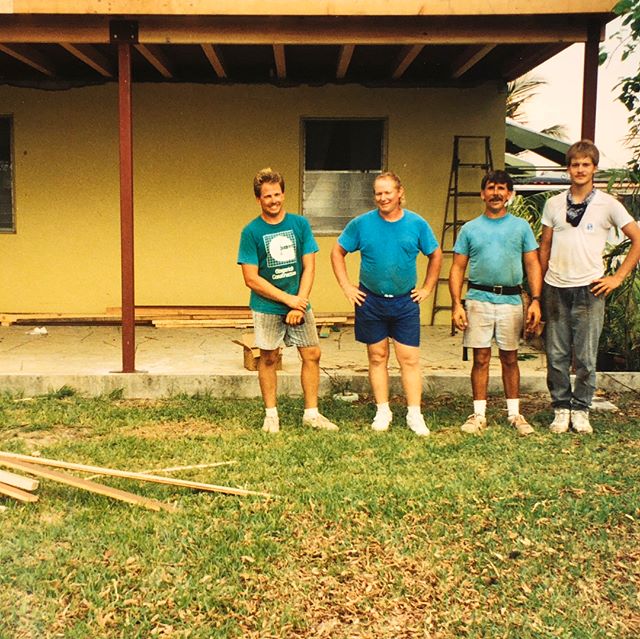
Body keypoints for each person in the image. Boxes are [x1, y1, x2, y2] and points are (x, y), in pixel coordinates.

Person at [539, 140, 640, 434]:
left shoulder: (609, 204)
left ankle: (581, 408)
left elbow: (637, 239)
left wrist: (617, 277)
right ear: (568, 168)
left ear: (594, 168)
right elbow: (545, 245)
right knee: (556, 354)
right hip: (555, 287)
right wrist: (539, 288)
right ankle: (560, 407)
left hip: (590, 289)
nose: (580, 170)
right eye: (575, 164)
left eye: (586, 164)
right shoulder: (554, 203)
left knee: (584, 356)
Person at [331, 171, 442, 436]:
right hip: (371, 301)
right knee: (377, 356)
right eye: (378, 193)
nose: (382, 198)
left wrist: (427, 288)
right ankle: (383, 410)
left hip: (404, 302)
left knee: (409, 359)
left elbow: (435, 255)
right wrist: (347, 287)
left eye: (388, 192)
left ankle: (414, 414)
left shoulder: (417, 224)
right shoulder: (361, 224)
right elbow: (337, 252)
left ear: (400, 193)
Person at [237, 168, 338, 434]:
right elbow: (251, 278)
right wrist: (289, 301)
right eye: (267, 196)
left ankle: (312, 414)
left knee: (312, 354)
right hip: (267, 305)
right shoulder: (251, 231)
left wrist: (300, 301)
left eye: (277, 194)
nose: (274, 200)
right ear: (258, 199)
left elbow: (310, 266)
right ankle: (271, 416)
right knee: (268, 358)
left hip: (300, 302)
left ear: (284, 194)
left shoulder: (299, 224)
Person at [449, 170, 542, 436]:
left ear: (510, 195)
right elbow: (457, 268)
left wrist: (535, 300)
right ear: (483, 193)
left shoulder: (521, 227)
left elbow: (532, 263)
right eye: (491, 188)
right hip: (478, 299)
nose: (496, 193)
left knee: (510, 357)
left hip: (511, 300)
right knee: (480, 357)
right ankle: (478, 415)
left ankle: (515, 414)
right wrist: (457, 304)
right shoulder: (470, 228)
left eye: (502, 188)